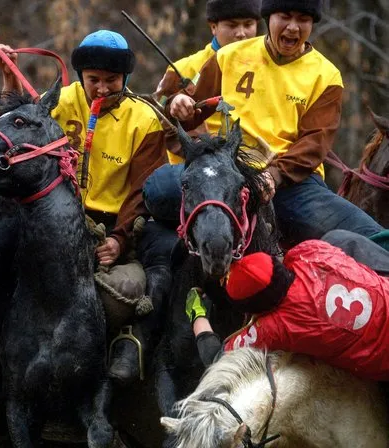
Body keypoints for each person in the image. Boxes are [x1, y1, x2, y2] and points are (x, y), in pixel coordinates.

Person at [144, 0, 384, 245]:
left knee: (370, 235)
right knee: (158, 189)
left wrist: (274, 176)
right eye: (285, 16)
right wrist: (178, 104)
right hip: (224, 172)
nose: (293, 27)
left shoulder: (327, 75)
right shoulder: (229, 56)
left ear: (312, 23)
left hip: (290, 183)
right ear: (268, 18)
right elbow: (192, 109)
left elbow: (315, 143)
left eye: (303, 19)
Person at [51, 30, 169, 385]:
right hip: (58, 216)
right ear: (80, 77)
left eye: (112, 80)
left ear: (126, 79)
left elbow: (142, 190)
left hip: (113, 229)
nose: (102, 89)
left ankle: (120, 346)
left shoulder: (144, 119)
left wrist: (118, 239)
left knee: (126, 291)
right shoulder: (58, 100)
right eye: (93, 80)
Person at [186, 237, 389, 381]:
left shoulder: (274, 327)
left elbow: (216, 359)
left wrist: (197, 313)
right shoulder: (311, 250)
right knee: (339, 237)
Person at [154, 0, 262, 164]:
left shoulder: (267, 67)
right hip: (193, 167)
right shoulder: (182, 68)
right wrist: (174, 105)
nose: (241, 33)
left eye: (248, 25)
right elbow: (157, 114)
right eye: (232, 25)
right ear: (213, 27)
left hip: (252, 164)